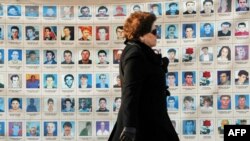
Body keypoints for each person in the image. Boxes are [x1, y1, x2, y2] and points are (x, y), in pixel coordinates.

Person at [109, 12, 179, 141]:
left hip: (151, 121)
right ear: (141, 34)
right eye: (154, 31)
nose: (157, 35)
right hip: (144, 125)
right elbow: (130, 92)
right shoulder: (135, 54)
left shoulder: (141, 51)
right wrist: (129, 127)